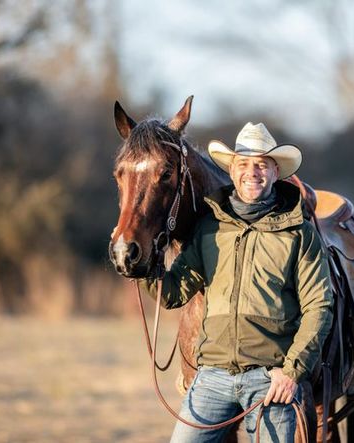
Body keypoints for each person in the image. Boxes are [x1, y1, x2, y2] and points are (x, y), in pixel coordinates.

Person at [140, 122, 333, 442]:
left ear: (275, 172)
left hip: (271, 383)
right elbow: (173, 293)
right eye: (243, 163)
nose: (252, 171)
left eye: (262, 164)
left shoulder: (300, 234)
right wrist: (144, 266)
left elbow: (319, 305)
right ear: (232, 170)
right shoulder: (210, 228)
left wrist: (291, 372)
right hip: (211, 379)